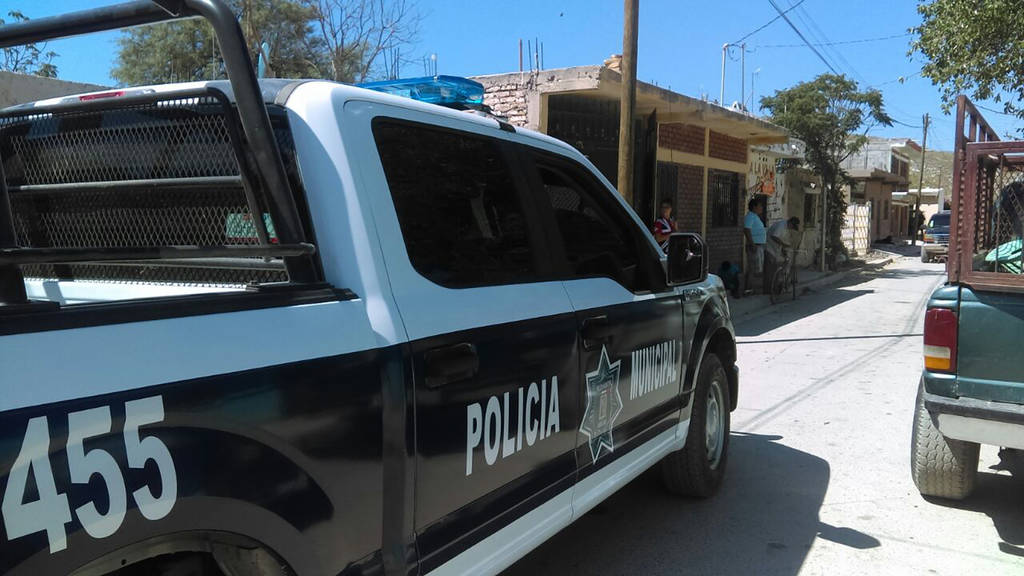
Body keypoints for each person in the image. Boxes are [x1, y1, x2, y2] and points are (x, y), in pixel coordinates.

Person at [766, 217, 800, 290]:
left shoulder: (786, 227)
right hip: (769, 248)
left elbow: (781, 239)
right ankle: (769, 289)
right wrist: (783, 244)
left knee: (781, 264)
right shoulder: (781, 225)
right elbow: (774, 236)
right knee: (771, 269)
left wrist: (783, 249)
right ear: (790, 223)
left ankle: (777, 286)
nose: (791, 228)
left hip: (776, 249)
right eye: (792, 226)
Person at [743, 198, 767, 293]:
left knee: (756, 268)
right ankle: (748, 289)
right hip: (754, 245)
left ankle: (752, 288)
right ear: (754, 207)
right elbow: (746, 230)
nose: (761, 208)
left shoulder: (755, 217)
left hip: (759, 245)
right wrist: (752, 244)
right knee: (752, 268)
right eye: (760, 206)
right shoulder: (750, 216)